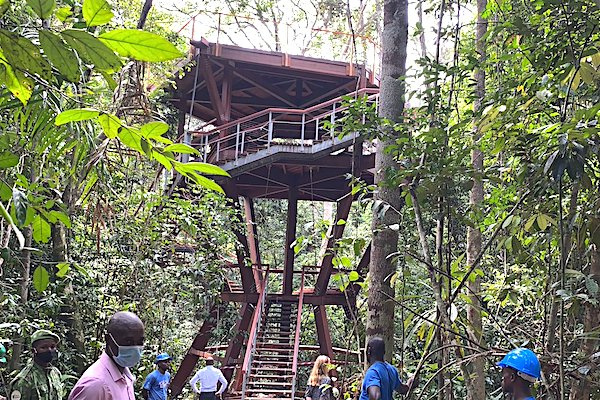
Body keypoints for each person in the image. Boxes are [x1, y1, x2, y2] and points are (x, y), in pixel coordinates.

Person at [69, 311, 145, 400]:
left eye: (140, 342)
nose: (135, 348)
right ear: (108, 340)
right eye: (128, 342)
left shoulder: (126, 376)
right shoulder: (95, 385)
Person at [9, 329, 64, 400]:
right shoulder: (24, 380)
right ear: (33, 351)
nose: (49, 350)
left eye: (52, 347)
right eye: (44, 347)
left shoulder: (55, 373)